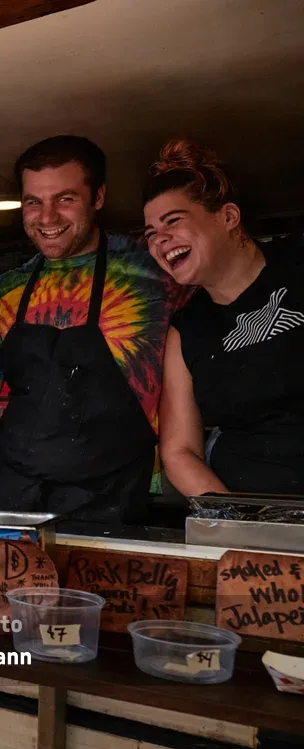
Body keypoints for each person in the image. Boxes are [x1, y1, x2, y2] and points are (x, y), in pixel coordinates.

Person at [0, 135, 187, 523]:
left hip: (110, 494)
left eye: (65, 199)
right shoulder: (6, 291)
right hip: (11, 491)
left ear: (98, 198)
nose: (47, 218)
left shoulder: (155, 272)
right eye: (33, 202)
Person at [144, 139, 304, 495]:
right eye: (151, 233)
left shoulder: (297, 262)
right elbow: (179, 452)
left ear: (228, 217)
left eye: (173, 222)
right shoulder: (186, 331)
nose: (160, 239)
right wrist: (237, 524)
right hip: (255, 519)